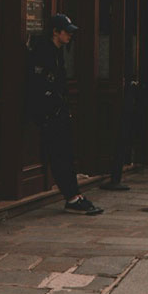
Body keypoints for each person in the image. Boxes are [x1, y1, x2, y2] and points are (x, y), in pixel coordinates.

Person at [26, 14, 102, 215]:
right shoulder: (44, 52)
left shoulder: (57, 51)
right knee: (60, 156)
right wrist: (50, 111)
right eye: (66, 31)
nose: (70, 35)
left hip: (58, 112)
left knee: (66, 156)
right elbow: (40, 85)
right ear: (55, 32)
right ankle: (72, 197)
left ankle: (74, 195)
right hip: (50, 115)